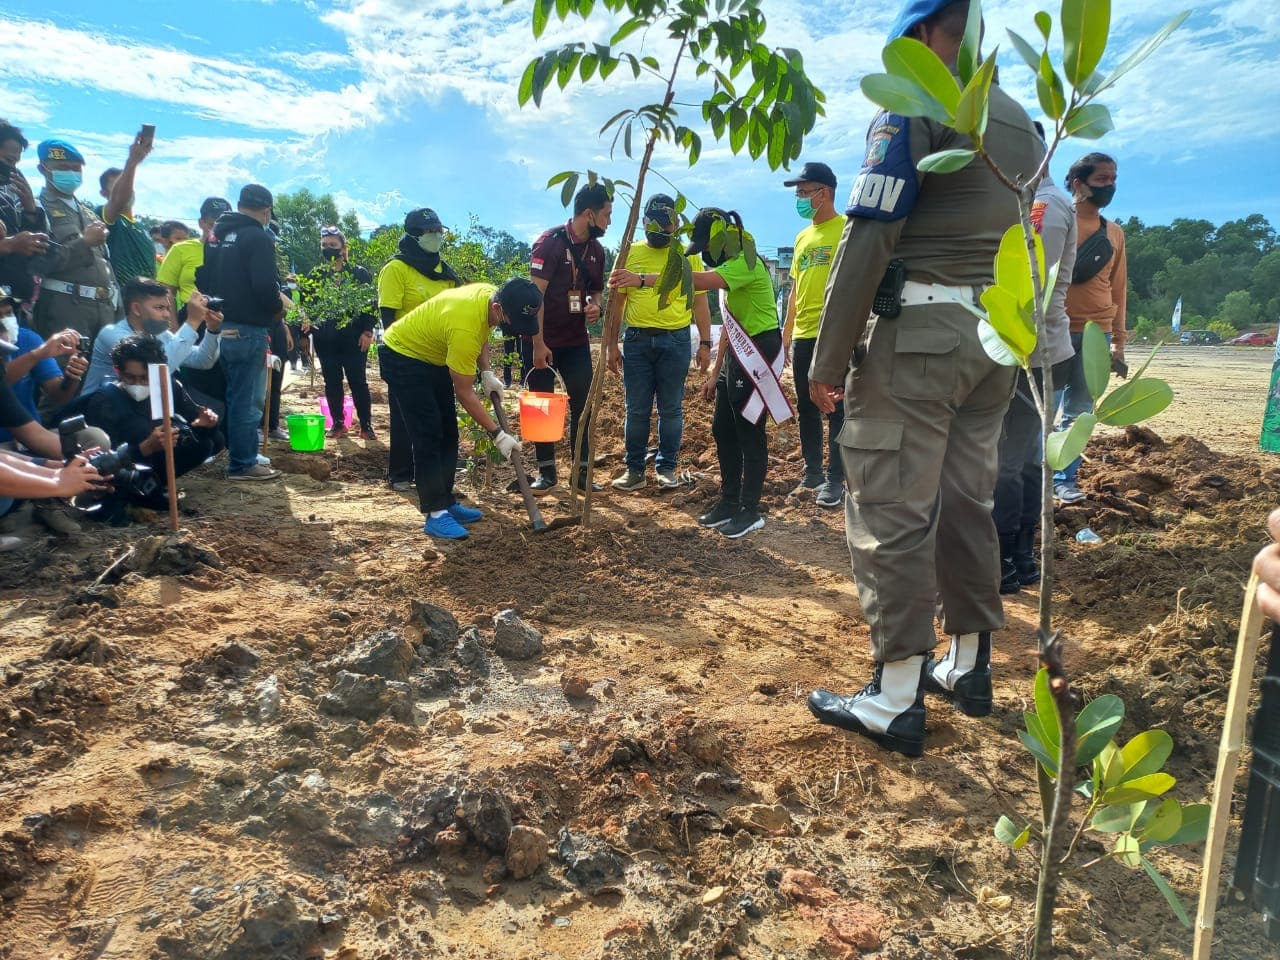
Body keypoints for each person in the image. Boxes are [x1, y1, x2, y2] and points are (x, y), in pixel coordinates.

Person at [803, 0, 1043, 757]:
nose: (906, 52)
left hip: (920, 341)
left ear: (935, 33)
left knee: (890, 508)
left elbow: (871, 231)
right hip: (991, 340)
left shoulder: (916, 104)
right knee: (965, 500)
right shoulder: (1022, 122)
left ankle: (895, 696)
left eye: (913, 36)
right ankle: (968, 666)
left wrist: (827, 357)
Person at [611, 206, 783, 538]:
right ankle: (729, 501)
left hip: (759, 349)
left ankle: (750, 509)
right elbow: (732, 325)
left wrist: (641, 280)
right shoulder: (734, 261)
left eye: (705, 247)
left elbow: (695, 281)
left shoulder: (745, 262)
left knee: (749, 430)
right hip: (738, 350)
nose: (704, 254)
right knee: (722, 428)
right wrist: (716, 372)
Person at [378, 279, 540, 540]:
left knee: (449, 432)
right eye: (510, 321)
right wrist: (497, 434)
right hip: (403, 356)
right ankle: (435, 513)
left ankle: (446, 501)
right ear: (498, 307)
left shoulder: (489, 297)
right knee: (428, 433)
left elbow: (483, 331)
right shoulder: (464, 326)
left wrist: (486, 371)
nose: (511, 328)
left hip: (433, 355)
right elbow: (464, 393)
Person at [993, 124, 1077, 594]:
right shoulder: (1039, 202)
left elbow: (1029, 288)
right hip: (1038, 349)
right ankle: (1021, 556)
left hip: (1029, 351)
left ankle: (1008, 557)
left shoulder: (1040, 206)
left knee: (1009, 461)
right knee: (1023, 460)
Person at [607, 194, 711, 491]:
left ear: (677, 224)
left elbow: (700, 302)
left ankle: (667, 467)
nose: (664, 230)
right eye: (657, 224)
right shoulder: (629, 252)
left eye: (669, 224)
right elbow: (617, 304)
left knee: (671, 409)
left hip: (676, 341)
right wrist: (611, 344)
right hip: (637, 341)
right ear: (644, 222)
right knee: (636, 409)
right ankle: (635, 469)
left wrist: (704, 342)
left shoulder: (687, 255)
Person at [1053, 152, 1128, 505]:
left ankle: (1063, 480)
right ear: (1078, 184)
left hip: (1098, 333)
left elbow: (1118, 289)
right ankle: (1031, 478)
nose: (1109, 186)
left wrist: (1119, 344)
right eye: (1102, 180)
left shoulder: (1114, 233)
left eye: (1113, 179)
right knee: (1042, 409)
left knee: (1080, 412)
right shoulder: (1053, 220)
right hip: (1054, 329)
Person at [196, 184, 282, 481]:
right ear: (266, 209)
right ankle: (243, 463)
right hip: (249, 328)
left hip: (222, 325)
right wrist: (276, 308)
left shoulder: (216, 236)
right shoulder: (257, 237)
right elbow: (264, 286)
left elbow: (203, 277)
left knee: (235, 394)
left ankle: (241, 452)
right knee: (248, 399)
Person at [82, 335, 221, 519]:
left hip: (158, 463)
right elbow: (102, 460)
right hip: (123, 470)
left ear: (158, 373)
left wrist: (206, 423)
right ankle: (131, 497)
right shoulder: (104, 400)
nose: (138, 384)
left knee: (210, 441)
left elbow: (194, 417)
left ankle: (155, 486)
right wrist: (145, 447)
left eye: (145, 378)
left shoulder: (167, 387)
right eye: (130, 377)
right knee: (139, 430)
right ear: (118, 371)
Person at [527, 183, 609, 492]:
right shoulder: (549, 244)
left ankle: (582, 474)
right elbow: (535, 297)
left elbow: (597, 290)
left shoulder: (597, 251)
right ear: (589, 214)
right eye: (606, 214)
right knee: (543, 406)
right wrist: (537, 345)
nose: (609, 222)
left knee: (583, 405)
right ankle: (546, 473)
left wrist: (596, 306)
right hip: (543, 341)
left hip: (576, 342)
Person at [377, 208, 461, 491]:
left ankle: (437, 482)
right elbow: (388, 317)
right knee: (405, 419)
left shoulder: (446, 273)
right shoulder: (396, 269)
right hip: (406, 357)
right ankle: (401, 473)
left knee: (440, 423)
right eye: (429, 232)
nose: (436, 236)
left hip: (438, 358)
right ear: (413, 235)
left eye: (438, 231)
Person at [781, 161, 847, 509]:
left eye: (805, 192)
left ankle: (836, 478)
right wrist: (787, 330)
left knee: (836, 406)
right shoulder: (802, 238)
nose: (800, 198)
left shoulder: (847, 229)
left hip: (834, 333)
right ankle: (813, 472)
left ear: (825, 193)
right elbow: (795, 288)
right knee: (807, 406)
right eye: (799, 193)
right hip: (804, 333)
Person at [31, 139, 117, 342]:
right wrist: (84, 243)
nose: (71, 173)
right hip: (64, 309)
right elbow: (39, 265)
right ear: (42, 169)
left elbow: (105, 263)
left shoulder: (88, 212)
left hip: (104, 308)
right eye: (62, 168)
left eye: (76, 169)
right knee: (67, 370)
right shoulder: (36, 209)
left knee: (105, 371)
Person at [81, 278, 221, 395]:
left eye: (168, 308)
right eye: (159, 308)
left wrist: (212, 330)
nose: (167, 315)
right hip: (100, 414)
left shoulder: (158, 334)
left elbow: (203, 360)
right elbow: (159, 373)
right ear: (136, 308)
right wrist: (192, 322)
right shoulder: (112, 334)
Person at [302, 226, 376, 440]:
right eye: (324, 245)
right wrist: (304, 335)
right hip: (326, 341)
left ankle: (366, 425)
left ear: (343, 249)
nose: (328, 249)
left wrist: (367, 331)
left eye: (333, 245)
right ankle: (337, 423)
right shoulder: (315, 276)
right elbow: (306, 308)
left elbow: (370, 305)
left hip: (354, 340)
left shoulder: (359, 273)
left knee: (358, 381)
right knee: (332, 382)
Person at [0, 287, 86, 433]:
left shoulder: (28, 339)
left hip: (32, 434)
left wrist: (72, 375)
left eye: (8, 313)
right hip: (6, 447)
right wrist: (38, 354)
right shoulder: (37, 351)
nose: (5, 322)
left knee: (94, 437)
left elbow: (59, 396)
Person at [96, 129, 157, 287]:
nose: (127, 189)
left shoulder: (142, 228)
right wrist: (132, 162)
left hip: (144, 304)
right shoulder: (105, 217)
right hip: (117, 301)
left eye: (129, 184)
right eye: (118, 185)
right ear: (103, 193)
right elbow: (118, 200)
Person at [0, 120, 51, 304]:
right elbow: (11, 244)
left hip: (13, 301)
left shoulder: (11, 190)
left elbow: (36, 249)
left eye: (16, 162)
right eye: (8, 160)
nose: (12, 168)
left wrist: (30, 209)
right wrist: (8, 245)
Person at [157, 197, 231, 312]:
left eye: (224, 225)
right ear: (201, 223)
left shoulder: (235, 250)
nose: (218, 229)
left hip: (228, 318)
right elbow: (167, 292)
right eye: (212, 224)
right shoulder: (181, 249)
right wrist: (173, 327)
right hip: (192, 318)